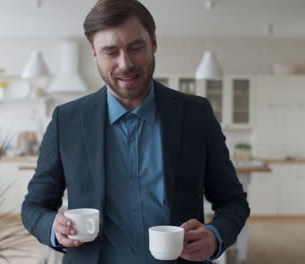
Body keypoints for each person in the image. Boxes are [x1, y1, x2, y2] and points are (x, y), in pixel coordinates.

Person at [21, 0, 250, 263]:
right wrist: (53, 228)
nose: (125, 63)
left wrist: (215, 235)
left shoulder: (196, 114)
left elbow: (233, 201)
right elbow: (34, 207)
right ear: (94, 53)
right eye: (110, 52)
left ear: (153, 43)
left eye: (135, 47)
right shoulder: (67, 120)